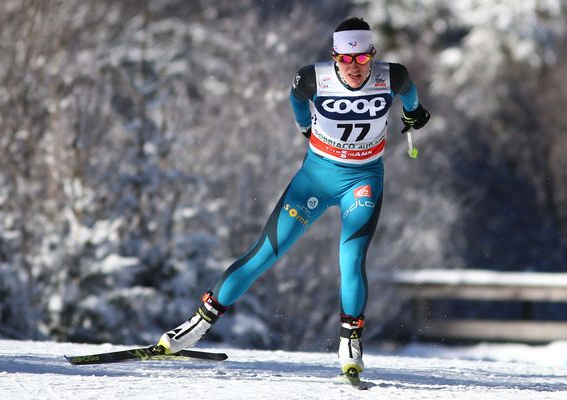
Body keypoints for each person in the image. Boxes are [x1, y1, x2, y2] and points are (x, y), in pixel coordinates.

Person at [156, 17, 430, 378]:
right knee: (265, 253)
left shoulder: (391, 75)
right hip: (315, 180)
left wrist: (413, 113)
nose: (353, 68)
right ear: (334, 57)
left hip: (362, 181)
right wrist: (305, 126)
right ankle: (197, 324)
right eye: (345, 60)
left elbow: (409, 91)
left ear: (372, 56)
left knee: (351, 258)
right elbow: (297, 98)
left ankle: (350, 340)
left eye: (362, 59)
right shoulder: (314, 78)